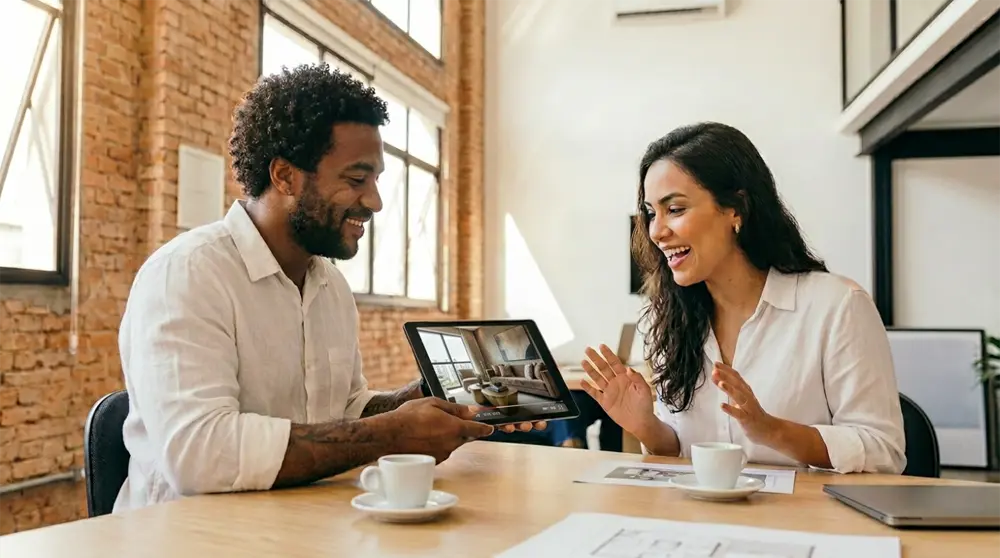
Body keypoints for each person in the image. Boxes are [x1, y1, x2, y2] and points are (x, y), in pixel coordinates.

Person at [114, 63, 543, 512]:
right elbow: (199, 454)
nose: (374, 201)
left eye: (376, 179)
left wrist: (417, 400)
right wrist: (393, 432)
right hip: (186, 538)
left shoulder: (329, 285)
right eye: (356, 180)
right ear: (285, 176)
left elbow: (345, 413)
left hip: (298, 526)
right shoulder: (187, 275)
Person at [580, 122, 906, 474]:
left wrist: (772, 430)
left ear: (736, 209)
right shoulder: (672, 318)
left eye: (674, 209)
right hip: (699, 524)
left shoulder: (838, 306)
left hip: (804, 525)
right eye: (650, 212)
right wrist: (645, 426)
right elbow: (681, 450)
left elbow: (883, 451)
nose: (656, 231)